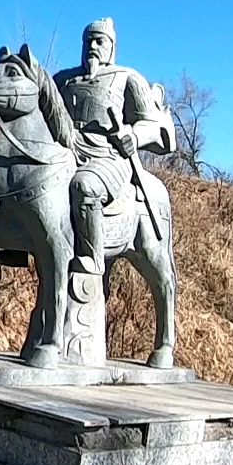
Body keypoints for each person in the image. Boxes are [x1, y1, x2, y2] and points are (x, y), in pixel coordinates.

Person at [52, 19, 174, 277]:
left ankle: (91, 258)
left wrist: (134, 136)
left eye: (100, 41)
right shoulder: (63, 79)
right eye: (88, 41)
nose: (92, 46)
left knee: (84, 186)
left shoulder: (127, 77)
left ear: (111, 46)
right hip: (65, 151)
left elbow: (155, 126)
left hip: (107, 156)